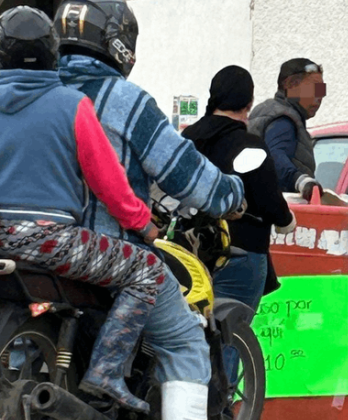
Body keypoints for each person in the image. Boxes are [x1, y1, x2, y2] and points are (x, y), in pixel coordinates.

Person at [53, 1, 245, 418]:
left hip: (32, 251)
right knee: (185, 342)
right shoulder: (124, 101)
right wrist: (231, 194)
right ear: (119, 44)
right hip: (102, 256)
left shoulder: (32, 91)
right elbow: (184, 174)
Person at [0, 6, 165, 413]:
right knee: (147, 271)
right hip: (52, 241)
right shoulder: (71, 105)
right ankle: (106, 372)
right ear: (52, 52)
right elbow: (109, 183)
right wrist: (143, 225)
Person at [182, 65, 296, 383]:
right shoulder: (250, 147)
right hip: (240, 255)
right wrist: (287, 220)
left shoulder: (187, 140)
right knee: (229, 342)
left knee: (186, 339)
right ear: (248, 104)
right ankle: (220, 409)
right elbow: (272, 202)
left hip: (187, 254)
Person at [248, 58, 326, 201]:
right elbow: (275, 156)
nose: (320, 96)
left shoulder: (265, 111)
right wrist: (301, 181)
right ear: (290, 85)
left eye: (321, 90)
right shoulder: (283, 120)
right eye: (314, 88)